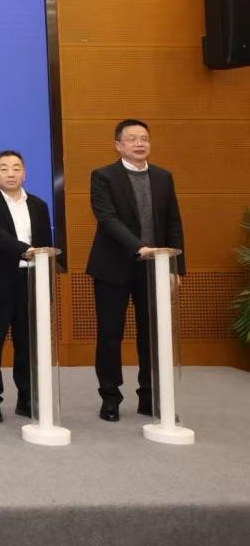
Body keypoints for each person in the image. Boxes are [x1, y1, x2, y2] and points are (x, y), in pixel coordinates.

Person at [87, 118, 184, 421]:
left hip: (154, 268)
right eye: (132, 139)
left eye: (144, 138)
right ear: (118, 145)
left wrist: (174, 267)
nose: (140, 143)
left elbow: (173, 223)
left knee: (152, 335)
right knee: (110, 335)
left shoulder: (163, 177)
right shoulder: (103, 176)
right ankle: (110, 397)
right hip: (112, 267)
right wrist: (139, 247)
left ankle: (149, 397)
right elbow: (107, 219)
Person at [0, 150, 53, 423]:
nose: (11, 173)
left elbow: (46, 244)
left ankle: (26, 398)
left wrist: (44, 278)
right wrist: (27, 250)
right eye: (4, 168)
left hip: (31, 281)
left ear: (24, 173)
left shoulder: (39, 205)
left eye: (16, 168)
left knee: (27, 345)